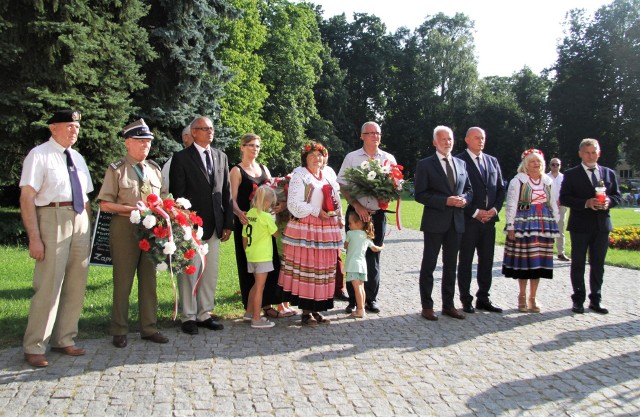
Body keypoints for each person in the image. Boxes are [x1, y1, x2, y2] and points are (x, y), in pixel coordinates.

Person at [20, 109, 93, 367]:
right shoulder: (38, 155)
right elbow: (27, 197)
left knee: (76, 282)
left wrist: (88, 225)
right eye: (69, 126)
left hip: (79, 219)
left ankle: (64, 338)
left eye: (76, 127)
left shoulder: (78, 158)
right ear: (53, 128)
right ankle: (35, 345)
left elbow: (86, 197)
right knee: (49, 284)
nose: (74, 130)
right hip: (53, 217)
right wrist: (34, 238)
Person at [98, 118, 169, 348]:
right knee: (123, 280)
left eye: (148, 141)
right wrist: (132, 210)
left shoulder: (155, 170)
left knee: (149, 281)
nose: (145, 145)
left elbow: (164, 200)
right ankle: (119, 329)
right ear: (128, 143)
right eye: (140, 141)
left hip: (151, 231)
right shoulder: (117, 169)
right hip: (125, 228)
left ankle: (149, 328)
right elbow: (105, 204)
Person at [169, 116, 232, 334]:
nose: (209, 132)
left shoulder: (221, 156)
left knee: (210, 272)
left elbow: (226, 193)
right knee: (190, 271)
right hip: (191, 227)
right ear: (193, 132)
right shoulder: (182, 158)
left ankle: (205, 313)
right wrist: (185, 223)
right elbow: (178, 194)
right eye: (204, 129)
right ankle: (188, 316)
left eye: (211, 128)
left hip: (215, 224)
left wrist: (228, 223)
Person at [278, 141, 343, 326]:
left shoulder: (328, 174)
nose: (317, 158)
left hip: (327, 226)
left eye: (320, 155)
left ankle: (318, 309)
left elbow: (336, 199)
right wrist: (316, 211)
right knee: (309, 269)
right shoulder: (300, 175)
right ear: (305, 158)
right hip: (307, 228)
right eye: (312, 155)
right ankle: (306, 312)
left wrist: (340, 217)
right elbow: (294, 204)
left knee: (323, 270)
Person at [230, 133, 293, 318]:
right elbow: (231, 198)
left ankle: (267, 303)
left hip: (266, 225)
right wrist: (239, 213)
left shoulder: (264, 168)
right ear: (242, 147)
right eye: (250, 145)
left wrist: (280, 205)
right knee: (249, 264)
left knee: (270, 263)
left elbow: (272, 193)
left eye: (257, 146)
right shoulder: (236, 171)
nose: (254, 149)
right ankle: (252, 308)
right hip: (247, 223)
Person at [337, 121, 397, 314]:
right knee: (354, 255)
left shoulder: (388, 158)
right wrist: (356, 204)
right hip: (356, 215)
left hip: (377, 215)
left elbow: (396, 186)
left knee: (373, 257)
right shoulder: (352, 157)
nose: (374, 136)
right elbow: (343, 185)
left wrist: (385, 195)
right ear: (362, 136)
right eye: (370, 133)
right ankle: (353, 300)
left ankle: (370, 299)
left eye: (377, 133)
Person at [415, 126, 473, 321]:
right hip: (434, 222)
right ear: (434, 142)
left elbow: (469, 190)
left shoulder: (461, 164)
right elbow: (420, 194)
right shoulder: (425, 164)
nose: (447, 142)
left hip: (456, 223)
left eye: (450, 139)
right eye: (443, 139)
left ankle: (448, 305)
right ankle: (427, 306)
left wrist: (465, 199)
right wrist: (444, 201)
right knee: (429, 265)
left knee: (450, 266)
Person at [560, 138, 621, 314]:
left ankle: (596, 299)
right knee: (578, 263)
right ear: (580, 153)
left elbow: (617, 196)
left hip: (602, 225)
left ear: (599, 153)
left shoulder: (608, 173)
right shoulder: (571, 174)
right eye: (587, 152)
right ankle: (578, 299)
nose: (591, 155)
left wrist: (609, 201)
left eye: (594, 152)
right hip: (580, 225)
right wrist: (586, 203)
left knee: (598, 264)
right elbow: (564, 198)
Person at [502, 149, 560, 313]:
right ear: (526, 164)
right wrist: (510, 225)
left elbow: (553, 203)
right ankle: (521, 296)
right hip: (525, 222)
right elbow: (512, 204)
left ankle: (533, 297)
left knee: (538, 262)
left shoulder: (548, 181)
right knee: (525, 262)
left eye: (539, 161)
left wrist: (555, 222)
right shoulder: (518, 180)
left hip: (543, 223)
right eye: (533, 161)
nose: (536, 164)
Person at [455, 127, 506, 314]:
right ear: (467, 139)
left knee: (487, 261)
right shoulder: (459, 161)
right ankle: (465, 299)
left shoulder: (492, 161)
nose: (481, 141)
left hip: (489, 221)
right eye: (477, 138)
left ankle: (483, 297)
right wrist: (475, 212)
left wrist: (494, 209)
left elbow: (500, 189)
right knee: (466, 261)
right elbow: (458, 191)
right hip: (469, 220)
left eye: (483, 137)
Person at [242, 185, 280, 328]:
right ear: (267, 202)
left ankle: (249, 312)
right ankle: (256, 319)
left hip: (251, 255)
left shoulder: (250, 214)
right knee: (260, 288)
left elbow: (244, 236)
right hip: (263, 256)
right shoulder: (266, 217)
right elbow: (275, 234)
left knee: (255, 285)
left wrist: (247, 251)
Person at [344, 212, 384, 318]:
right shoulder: (366, 236)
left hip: (353, 265)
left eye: (350, 223)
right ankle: (362, 308)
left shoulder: (350, 234)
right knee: (361, 288)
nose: (349, 226)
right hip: (362, 265)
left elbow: (345, 246)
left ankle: (360, 310)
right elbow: (375, 248)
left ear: (358, 223)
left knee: (357, 288)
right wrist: (382, 247)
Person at [161, 124, 194, 196]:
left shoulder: (212, 160)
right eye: (195, 134)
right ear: (185, 137)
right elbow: (165, 191)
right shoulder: (173, 162)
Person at [548, 158, 570, 261]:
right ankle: (547, 252)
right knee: (548, 230)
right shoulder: (545, 177)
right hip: (548, 207)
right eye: (553, 164)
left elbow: (568, 191)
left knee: (560, 230)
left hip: (561, 206)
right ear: (550, 165)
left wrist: (562, 200)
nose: (555, 166)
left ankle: (561, 253)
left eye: (557, 165)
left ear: (560, 166)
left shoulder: (564, 178)